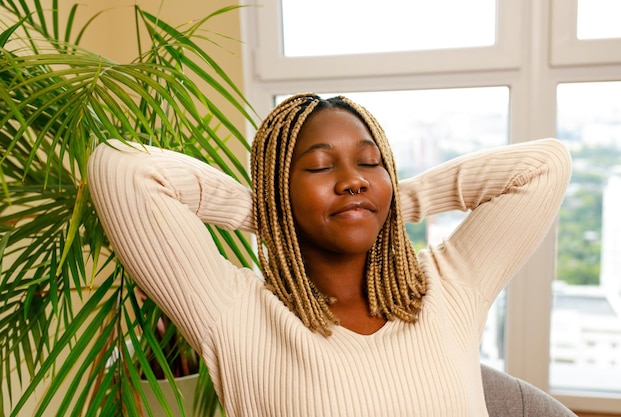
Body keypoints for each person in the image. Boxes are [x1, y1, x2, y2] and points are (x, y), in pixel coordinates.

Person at [88, 93, 572, 416]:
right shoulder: (234, 314)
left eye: (369, 163)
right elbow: (121, 167)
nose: (354, 178)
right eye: (321, 167)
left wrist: (386, 203)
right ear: (281, 190)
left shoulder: (450, 287)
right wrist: (272, 212)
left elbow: (543, 165)